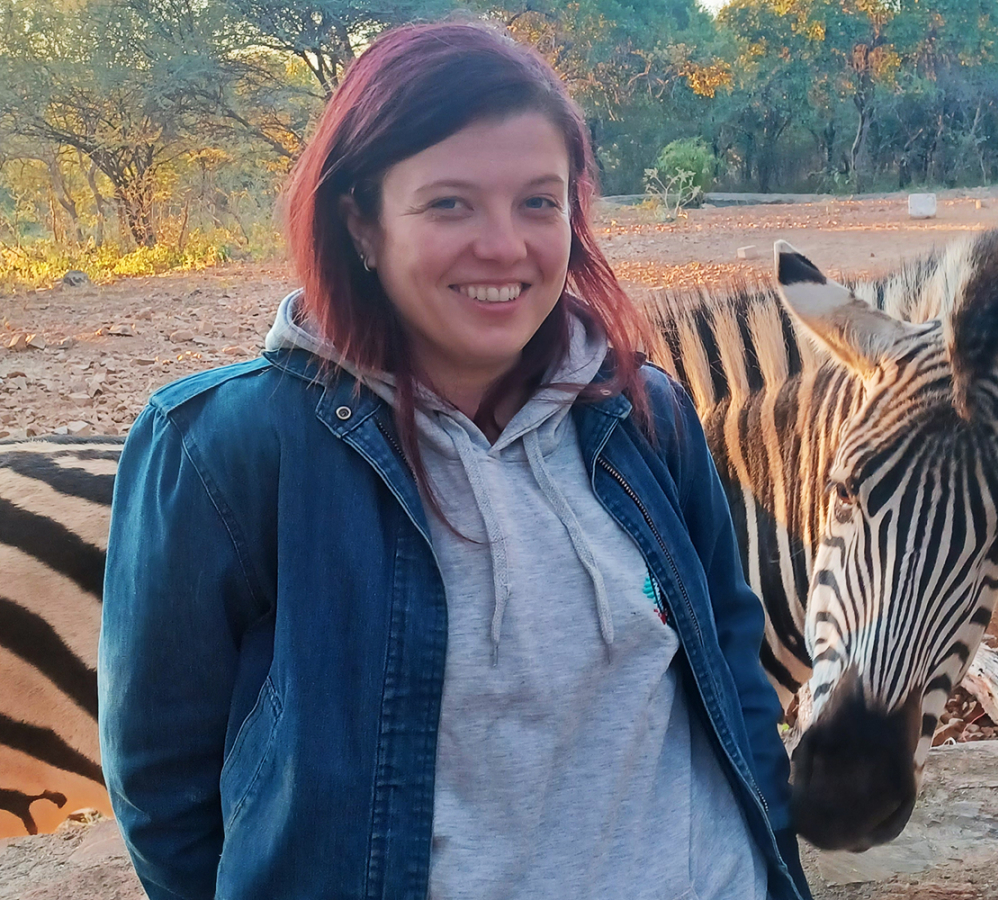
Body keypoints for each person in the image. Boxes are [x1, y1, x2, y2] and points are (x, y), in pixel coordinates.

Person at [99, 17, 812, 900]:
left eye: (538, 202)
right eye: (450, 203)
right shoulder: (220, 452)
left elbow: (732, 674)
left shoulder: (644, 416)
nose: (505, 246)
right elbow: (163, 789)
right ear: (360, 221)